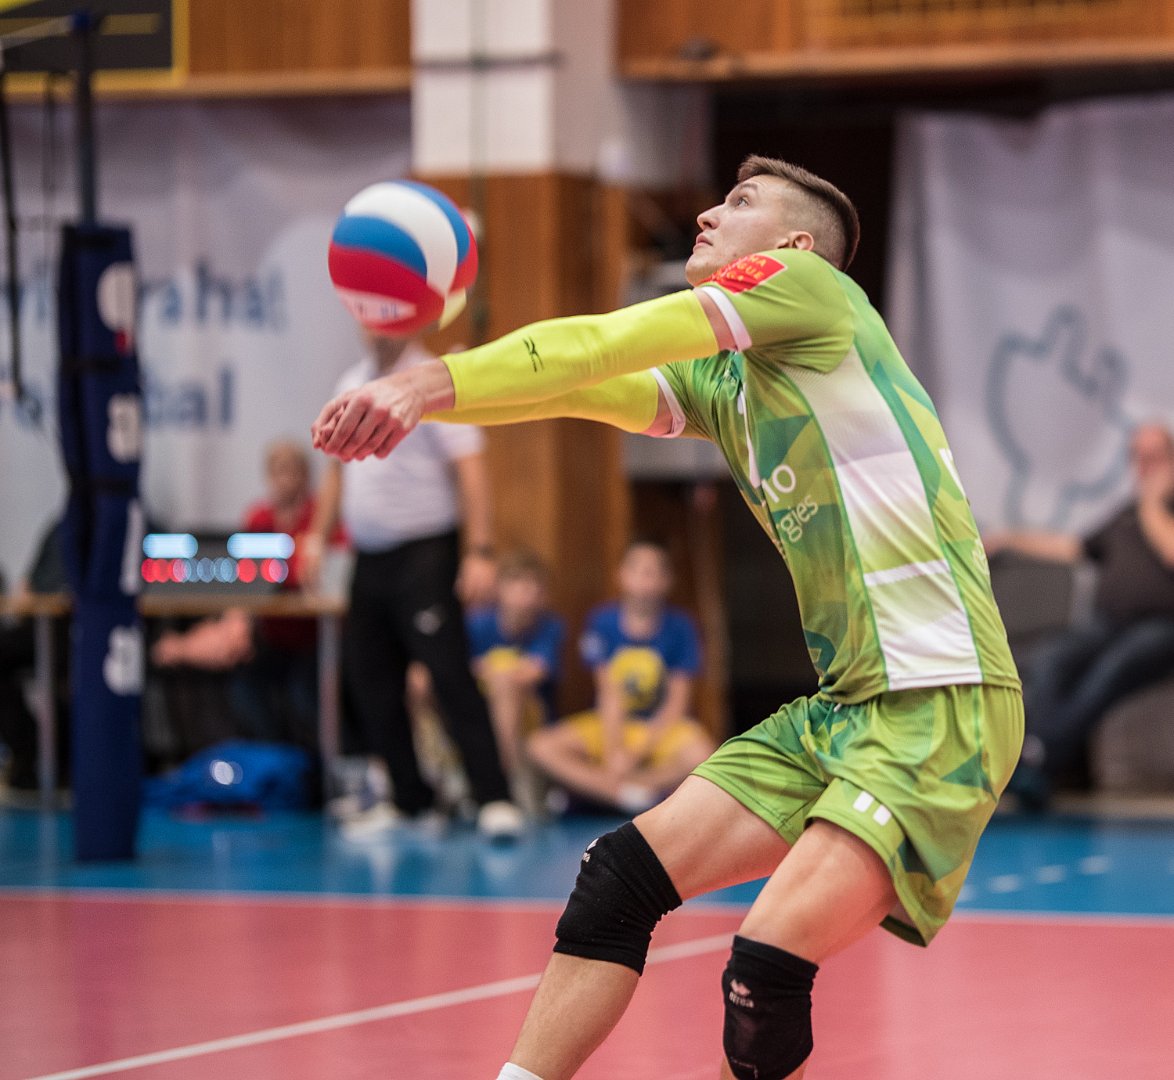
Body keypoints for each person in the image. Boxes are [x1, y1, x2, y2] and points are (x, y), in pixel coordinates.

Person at [312, 155, 1023, 1080]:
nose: (708, 214)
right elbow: (575, 382)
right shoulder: (728, 387)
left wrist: (423, 384)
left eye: (740, 202)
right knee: (617, 880)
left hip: (940, 697)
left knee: (764, 964)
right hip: (845, 708)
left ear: (794, 246)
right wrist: (424, 400)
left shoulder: (812, 290)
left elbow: (605, 340)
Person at [303, 330, 523, 841]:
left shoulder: (431, 381)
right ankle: (409, 799)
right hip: (369, 557)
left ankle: (494, 796)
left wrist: (480, 550)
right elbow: (336, 470)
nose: (376, 328)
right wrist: (315, 536)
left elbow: (470, 468)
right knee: (371, 679)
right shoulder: (351, 382)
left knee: (448, 673)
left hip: (426, 552)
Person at [984, 421, 1174, 810]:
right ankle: (1039, 757)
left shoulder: (1154, 512)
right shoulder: (1125, 516)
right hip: (1109, 623)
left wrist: (1153, 506)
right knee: (1051, 659)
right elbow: (1070, 547)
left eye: (1155, 457)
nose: (1145, 467)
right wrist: (1008, 539)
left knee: (1111, 670)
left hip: (1162, 627)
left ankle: (1037, 759)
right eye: (1138, 458)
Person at [150, 439, 338, 753]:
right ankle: (276, 762)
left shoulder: (320, 517)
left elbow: (315, 571)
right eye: (278, 472)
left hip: (315, 642)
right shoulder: (260, 518)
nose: (285, 480)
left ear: (306, 476)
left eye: (292, 471)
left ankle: (314, 767)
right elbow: (248, 575)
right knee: (244, 689)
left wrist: (286, 567)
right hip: (271, 640)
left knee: (303, 694)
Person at [528, 538, 712, 815]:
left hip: (658, 727)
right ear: (621, 575)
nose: (643, 580)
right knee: (540, 746)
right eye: (636, 570)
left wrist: (636, 754)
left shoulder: (681, 627)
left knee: (703, 754)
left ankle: (614, 791)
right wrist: (615, 750)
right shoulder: (602, 621)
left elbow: (676, 704)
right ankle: (624, 794)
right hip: (611, 723)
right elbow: (608, 693)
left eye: (652, 572)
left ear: (666, 581)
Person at [466, 548, 565, 807]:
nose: (526, 591)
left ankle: (498, 783)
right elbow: (456, 671)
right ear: (499, 587)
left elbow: (534, 672)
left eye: (534, 585)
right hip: (478, 710)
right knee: (420, 679)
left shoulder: (549, 627)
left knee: (506, 684)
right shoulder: (477, 624)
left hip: (530, 718)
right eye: (518, 582)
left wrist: (488, 670)